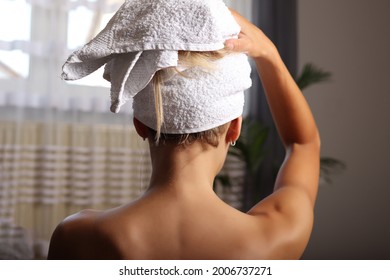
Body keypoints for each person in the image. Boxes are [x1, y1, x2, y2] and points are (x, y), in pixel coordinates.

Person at [48, 9, 320, 260]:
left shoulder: (77, 236)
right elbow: (303, 144)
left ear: (140, 124)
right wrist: (268, 53)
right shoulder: (274, 235)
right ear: (234, 128)